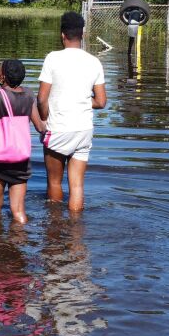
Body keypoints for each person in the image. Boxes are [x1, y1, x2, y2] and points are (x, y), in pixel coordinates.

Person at [37, 12, 107, 214]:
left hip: (58, 128)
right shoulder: (94, 62)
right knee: (77, 186)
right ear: (82, 35)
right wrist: (81, 101)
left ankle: (55, 228)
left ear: (62, 35)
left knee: (54, 182)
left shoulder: (53, 58)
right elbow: (101, 102)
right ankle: (76, 235)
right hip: (84, 129)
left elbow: (42, 98)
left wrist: (43, 118)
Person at [0, 59, 46, 224]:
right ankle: (21, 240)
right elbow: (40, 126)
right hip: (20, 159)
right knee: (18, 210)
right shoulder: (29, 95)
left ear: (3, 76)